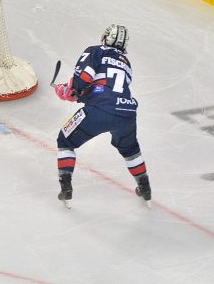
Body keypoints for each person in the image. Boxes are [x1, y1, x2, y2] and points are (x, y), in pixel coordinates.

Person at [53, 24, 151, 207]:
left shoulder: (95, 51)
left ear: (105, 37)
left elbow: (84, 79)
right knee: (130, 150)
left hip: (99, 110)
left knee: (65, 140)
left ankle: (66, 188)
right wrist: (77, 93)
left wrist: (69, 90)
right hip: (127, 113)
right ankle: (145, 187)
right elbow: (107, 87)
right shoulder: (126, 63)